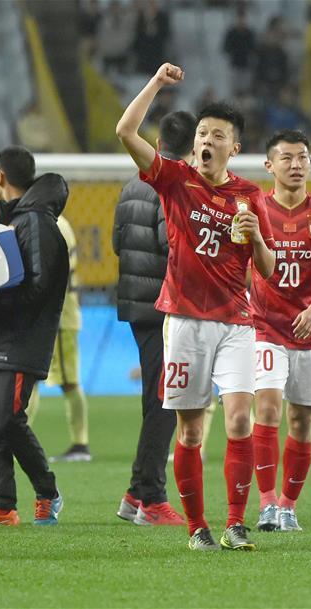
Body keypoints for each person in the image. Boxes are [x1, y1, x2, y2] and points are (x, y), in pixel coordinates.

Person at [116, 62, 276, 551]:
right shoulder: (174, 180)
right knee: (189, 429)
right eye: (203, 132)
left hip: (235, 323)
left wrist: (256, 242)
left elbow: (267, 270)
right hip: (184, 322)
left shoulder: (249, 195)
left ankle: (235, 523)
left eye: (218, 134)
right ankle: (196, 527)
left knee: (241, 420)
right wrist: (157, 85)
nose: (208, 140)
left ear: (235, 147)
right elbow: (125, 130)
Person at [0, 146, 69, 527]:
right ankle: (3, 505)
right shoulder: (13, 220)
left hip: (22, 339)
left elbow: (38, 288)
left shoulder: (36, 222)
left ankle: (48, 491)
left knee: (9, 419)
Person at [251, 129, 311, 533]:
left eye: (302, 157)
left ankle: (289, 505)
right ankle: (267, 502)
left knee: (302, 421)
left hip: (309, 331)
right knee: (268, 409)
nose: (295, 165)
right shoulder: (253, 210)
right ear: (269, 165)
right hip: (264, 325)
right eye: (286, 158)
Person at [113, 110, 196, 527]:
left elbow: (117, 242)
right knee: (166, 401)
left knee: (157, 398)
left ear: (159, 141)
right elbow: (172, 242)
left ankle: (133, 494)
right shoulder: (175, 184)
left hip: (135, 303)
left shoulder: (132, 183)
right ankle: (152, 500)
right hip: (165, 306)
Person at [26, 214, 92, 464]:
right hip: (52, 315)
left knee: (69, 381)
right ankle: (19, 435)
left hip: (60, 316)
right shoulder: (57, 223)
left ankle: (81, 443)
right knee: (30, 377)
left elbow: (52, 273)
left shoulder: (55, 225)